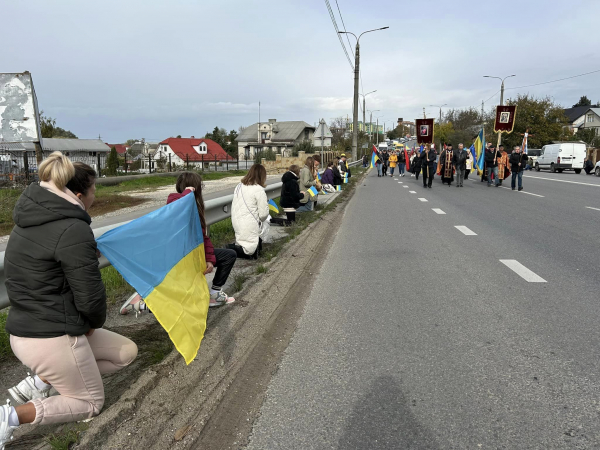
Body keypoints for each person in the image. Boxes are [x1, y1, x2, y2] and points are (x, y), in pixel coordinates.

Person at [1, 154, 138, 447]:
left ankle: (40, 382)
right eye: (94, 190)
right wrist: (90, 323)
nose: (95, 195)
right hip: (52, 336)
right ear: (78, 195)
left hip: (28, 331)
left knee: (125, 352)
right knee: (89, 403)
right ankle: (8, 417)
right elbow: (90, 297)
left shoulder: (29, 220)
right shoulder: (73, 228)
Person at [121, 172, 236, 313]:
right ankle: (140, 304)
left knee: (228, 255)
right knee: (184, 304)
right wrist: (188, 193)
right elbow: (177, 206)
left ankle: (213, 294)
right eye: (200, 186)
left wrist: (210, 260)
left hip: (193, 257)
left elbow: (203, 238)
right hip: (180, 260)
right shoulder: (175, 201)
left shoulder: (195, 207)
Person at [230, 164, 269, 262]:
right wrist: (263, 219)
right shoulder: (259, 189)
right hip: (250, 222)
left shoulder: (238, 186)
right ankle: (231, 250)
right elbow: (263, 214)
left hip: (237, 220)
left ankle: (232, 249)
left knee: (242, 241)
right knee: (249, 249)